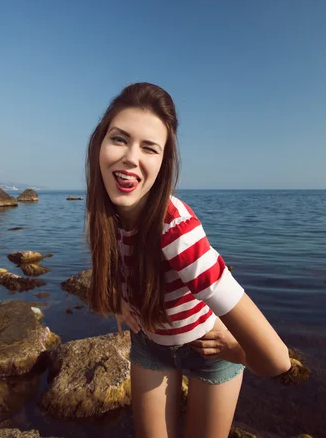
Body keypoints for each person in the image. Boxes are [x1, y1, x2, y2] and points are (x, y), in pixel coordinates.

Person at [86, 82, 291, 438]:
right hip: (150, 346)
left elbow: (277, 360)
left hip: (209, 351)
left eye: (149, 148)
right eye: (119, 139)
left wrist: (237, 349)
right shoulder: (102, 211)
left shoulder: (176, 231)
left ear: (163, 162)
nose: (131, 157)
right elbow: (113, 266)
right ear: (99, 143)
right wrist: (120, 301)